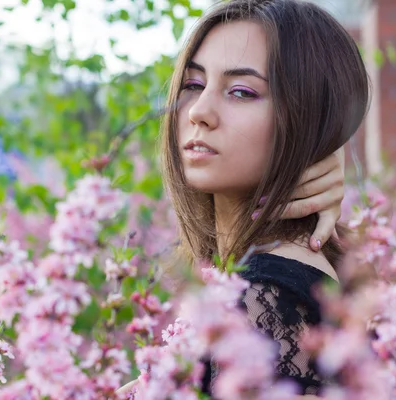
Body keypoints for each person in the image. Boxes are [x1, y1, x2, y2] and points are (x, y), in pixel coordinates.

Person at [158, 0, 369, 396]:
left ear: (307, 119)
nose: (198, 112)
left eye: (241, 91)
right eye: (193, 85)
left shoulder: (268, 296)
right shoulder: (252, 279)